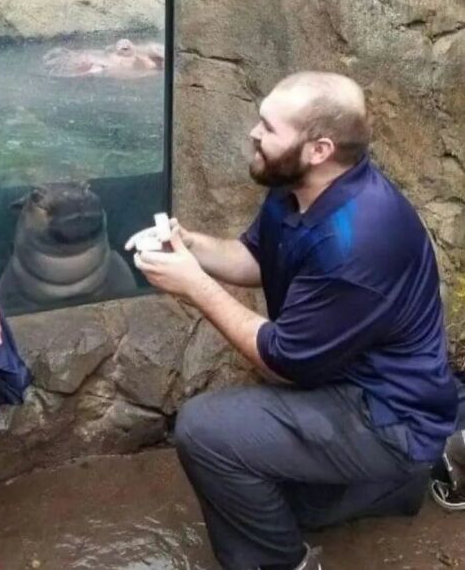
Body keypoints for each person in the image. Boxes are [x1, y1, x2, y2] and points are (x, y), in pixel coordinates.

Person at [129, 72, 458, 570]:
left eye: (268, 126)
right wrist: (190, 245)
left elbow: (284, 362)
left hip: (388, 414)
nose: (253, 134)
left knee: (206, 430)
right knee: (280, 497)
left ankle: (282, 563)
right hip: (344, 382)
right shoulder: (295, 188)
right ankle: (404, 477)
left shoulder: (359, 238)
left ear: (319, 149)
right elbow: (255, 258)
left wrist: (195, 286)